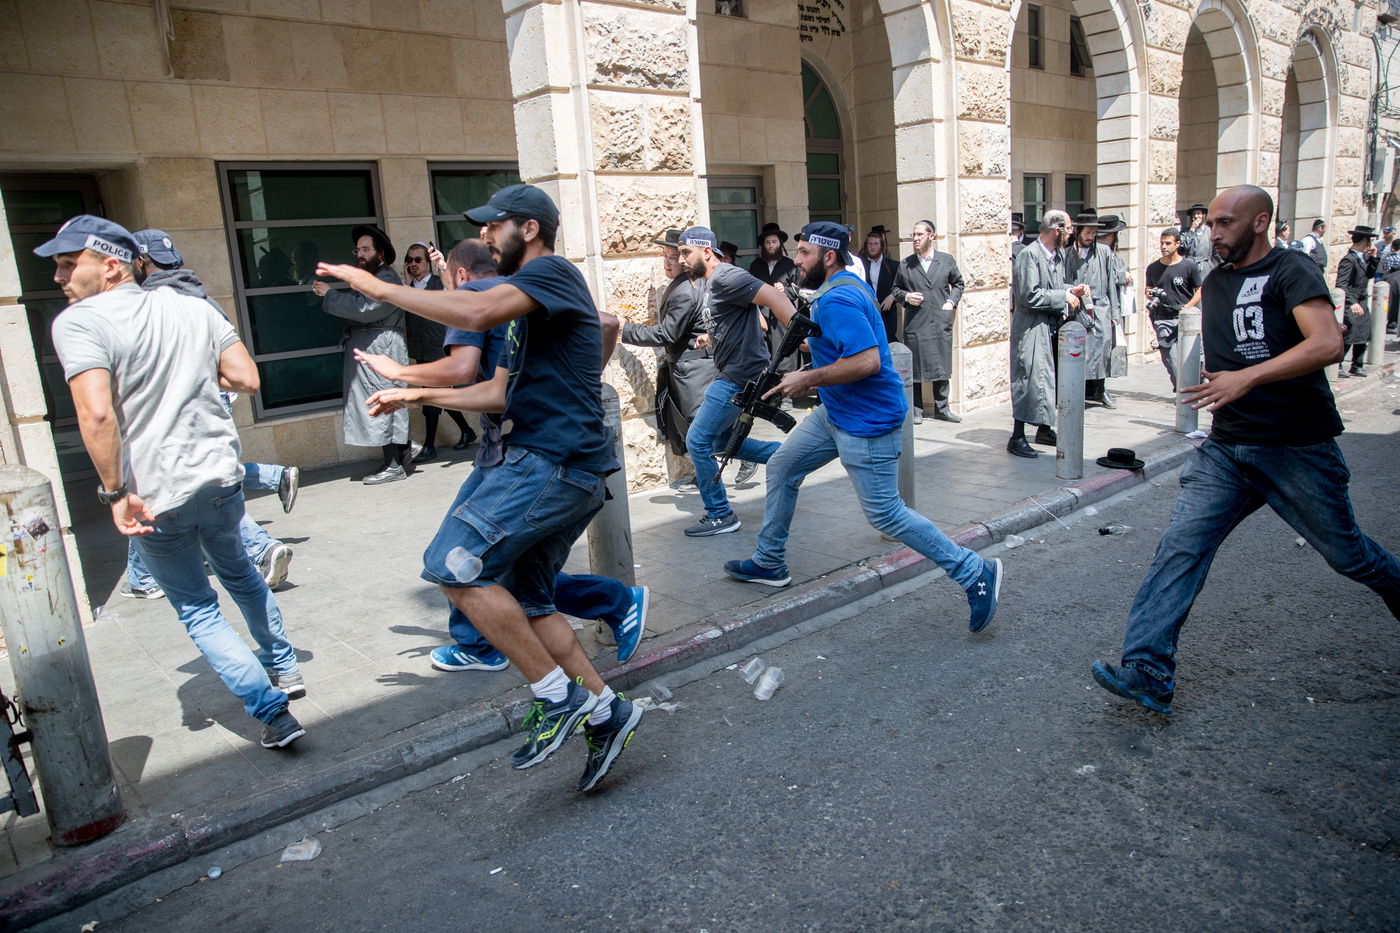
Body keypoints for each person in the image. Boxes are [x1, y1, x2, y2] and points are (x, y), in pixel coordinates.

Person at [318, 183, 641, 792]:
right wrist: (416, 390)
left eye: (496, 227)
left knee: (453, 565)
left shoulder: (552, 273)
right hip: (563, 466)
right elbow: (494, 393)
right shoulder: (524, 307)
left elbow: (470, 312)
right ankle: (606, 710)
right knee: (533, 600)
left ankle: (554, 697)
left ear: (531, 228)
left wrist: (379, 287)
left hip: (551, 463)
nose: (487, 237)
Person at [1091, 185, 1400, 715]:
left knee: (1348, 556)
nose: (1213, 233)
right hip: (1228, 449)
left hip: (1295, 448)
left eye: (1225, 223)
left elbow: (1328, 343)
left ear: (1260, 222)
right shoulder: (1215, 280)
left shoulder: (1291, 271)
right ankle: (1148, 672)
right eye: (1210, 223)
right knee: (1180, 549)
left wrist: (1245, 379)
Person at [41, 216, 306, 748]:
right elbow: (247, 379)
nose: (60, 277)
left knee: (197, 608)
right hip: (220, 478)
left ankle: (273, 713)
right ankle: (286, 668)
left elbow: (96, 417)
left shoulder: (79, 322)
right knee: (240, 575)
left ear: (111, 266)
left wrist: (115, 493)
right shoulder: (192, 308)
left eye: (70, 264)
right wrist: (185, 373)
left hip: (155, 494)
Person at [356, 239, 649, 672]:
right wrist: (579, 384)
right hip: (548, 455)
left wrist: (404, 376)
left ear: (461, 275)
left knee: (459, 560)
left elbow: (469, 377)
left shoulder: (482, 298)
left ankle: (486, 648)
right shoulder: (520, 297)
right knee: (521, 584)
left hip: (530, 456)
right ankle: (591, 691)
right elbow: (605, 324)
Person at [721, 222, 1003, 632]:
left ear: (828, 256)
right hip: (835, 413)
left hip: (865, 421)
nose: (795, 260)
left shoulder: (839, 300)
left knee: (887, 515)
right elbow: (822, 342)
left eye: (803, 254)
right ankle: (768, 561)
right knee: (783, 467)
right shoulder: (841, 288)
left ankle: (972, 570)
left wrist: (807, 379)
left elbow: (868, 361)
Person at [128, 229, 297, 591]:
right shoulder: (198, 295)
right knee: (180, 485)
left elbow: (237, 374)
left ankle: (261, 547)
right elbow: (238, 371)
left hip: (179, 411)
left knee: (202, 487)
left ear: (141, 261)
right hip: (207, 403)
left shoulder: (152, 304)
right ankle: (141, 576)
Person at [678, 226, 799, 537]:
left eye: (684, 253)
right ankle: (790, 457)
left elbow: (772, 296)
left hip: (739, 376)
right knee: (719, 441)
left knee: (697, 440)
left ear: (706, 252)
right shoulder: (710, 283)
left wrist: (802, 337)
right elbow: (748, 321)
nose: (679, 259)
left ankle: (720, 514)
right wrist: (712, 337)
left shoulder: (726, 275)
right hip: (734, 370)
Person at [312, 225, 414, 485]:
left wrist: (331, 294)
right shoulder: (374, 276)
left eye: (366, 249)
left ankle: (394, 464)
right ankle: (405, 450)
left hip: (381, 347)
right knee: (379, 402)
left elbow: (366, 308)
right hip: (373, 346)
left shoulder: (386, 278)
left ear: (380, 253)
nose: (360, 253)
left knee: (383, 401)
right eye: (358, 249)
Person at [625, 229, 714, 467]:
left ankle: (744, 462)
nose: (668, 262)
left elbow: (667, 333)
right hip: (694, 366)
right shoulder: (685, 284)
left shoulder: (685, 290)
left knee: (698, 431)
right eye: (664, 256)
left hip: (693, 369)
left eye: (674, 257)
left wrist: (625, 330)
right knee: (699, 430)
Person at [1007, 210, 1090, 458]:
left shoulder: (1056, 255)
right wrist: (1062, 296)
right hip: (1031, 328)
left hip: (1050, 326)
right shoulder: (1028, 256)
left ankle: (1044, 428)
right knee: (1028, 379)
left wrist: (1070, 289)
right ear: (1056, 229)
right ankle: (1017, 436)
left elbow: (1051, 288)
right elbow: (1029, 294)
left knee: (1048, 380)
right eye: (1068, 228)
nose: (1071, 232)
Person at [401, 241, 477, 462]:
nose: (413, 264)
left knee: (432, 395)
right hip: (421, 349)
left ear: (428, 263)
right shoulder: (407, 288)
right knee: (440, 394)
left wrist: (442, 266)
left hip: (439, 347)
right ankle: (466, 431)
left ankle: (429, 445)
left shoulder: (438, 283)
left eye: (418, 260)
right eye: (410, 260)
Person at [892, 220, 965, 424]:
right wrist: (906, 297)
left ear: (931, 236)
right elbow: (895, 289)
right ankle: (916, 410)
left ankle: (943, 408)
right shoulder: (906, 264)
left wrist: (951, 301)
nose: (915, 239)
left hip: (940, 321)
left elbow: (959, 284)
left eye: (919, 235)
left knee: (942, 363)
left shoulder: (946, 260)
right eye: (913, 235)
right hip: (916, 322)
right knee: (915, 366)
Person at [1064, 212, 1118, 408]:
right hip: (1078, 307)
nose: (1090, 237)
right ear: (1078, 232)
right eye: (1087, 232)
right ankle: (1077, 391)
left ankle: (1100, 389)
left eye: (1094, 233)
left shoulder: (1103, 252)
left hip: (1100, 306)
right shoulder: (1067, 254)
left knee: (1102, 348)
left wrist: (1115, 313)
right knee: (1080, 349)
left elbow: (1112, 283)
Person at [1143, 228, 1205, 392]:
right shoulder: (1153, 268)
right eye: (1162, 243)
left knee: (1195, 359)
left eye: (1168, 243)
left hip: (1186, 318)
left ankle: (1193, 385)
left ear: (1177, 244)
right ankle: (1183, 391)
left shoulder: (1188, 265)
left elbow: (1200, 290)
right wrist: (1150, 294)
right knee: (1171, 359)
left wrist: (1188, 306)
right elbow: (1148, 289)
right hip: (1162, 318)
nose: (1164, 246)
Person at [1334, 225, 1378, 379]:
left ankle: (1357, 365)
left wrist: (1373, 258)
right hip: (1351, 302)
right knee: (1349, 332)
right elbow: (1341, 284)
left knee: (1364, 332)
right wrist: (1352, 302)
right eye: (1369, 241)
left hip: (1362, 300)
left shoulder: (1364, 258)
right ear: (1364, 241)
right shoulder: (1349, 260)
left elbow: (1370, 275)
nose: (1370, 244)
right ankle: (1338, 364)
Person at [1095, 214, 1130, 382]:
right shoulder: (1101, 252)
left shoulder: (1112, 252)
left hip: (1114, 303)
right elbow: (1110, 276)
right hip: (1104, 305)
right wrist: (1125, 276)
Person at [859, 225, 899, 344]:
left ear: (881, 246)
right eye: (870, 244)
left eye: (876, 244)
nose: (872, 247)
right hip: (866, 312)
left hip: (887, 313)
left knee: (888, 343)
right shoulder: (860, 265)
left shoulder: (893, 265)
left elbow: (902, 285)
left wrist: (893, 296)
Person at [1180, 203, 1213, 267]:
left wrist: (1223, 264)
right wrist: (1192, 229)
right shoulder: (1185, 232)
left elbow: (1215, 251)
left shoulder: (1210, 231)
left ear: (1203, 215)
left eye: (1198, 213)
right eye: (1193, 214)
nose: (1195, 216)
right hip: (1190, 266)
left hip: (1205, 267)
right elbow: (1183, 248)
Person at [1381, 237, 1400, 335]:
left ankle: (1389, 324)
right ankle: (1393, 324)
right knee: (1395, 304)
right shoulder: (1398, 258)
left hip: (1386, 281)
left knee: (1388, 303)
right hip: (1396, 283)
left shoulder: (1386, 257)